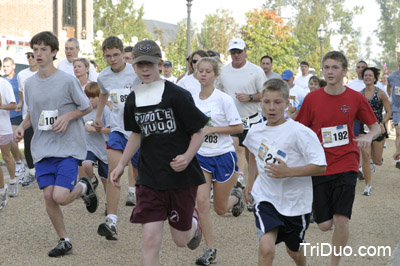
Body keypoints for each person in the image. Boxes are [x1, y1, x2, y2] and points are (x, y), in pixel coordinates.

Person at [110, 39, 208, 266]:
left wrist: (187, 157)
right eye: (139, 64)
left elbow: (198, 132)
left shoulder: (177, 95)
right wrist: (121, 164)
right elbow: (136, 133)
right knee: (149, 239)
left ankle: (192, 223)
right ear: (133, 65)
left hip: (180, 178)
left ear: (160, 64)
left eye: (149, 64)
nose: (144, 69)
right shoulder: (134, 97)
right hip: (150, 177)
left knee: (181, 240)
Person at [14, 31, 98, 257]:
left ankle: (83, 187)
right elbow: (33, 112)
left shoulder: (67, 80)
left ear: (53, 53)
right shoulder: (30, 84)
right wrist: (23, 126)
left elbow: (87, 107)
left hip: (67, 147)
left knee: (60, 196)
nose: (38, 53)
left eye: (43, 49)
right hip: (42, 148)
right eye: (35, 49)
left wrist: (67, 117)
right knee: (49, 196)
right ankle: (64, 240)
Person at [296, 51, 380, 266]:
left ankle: (335, 263)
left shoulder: (355, 98)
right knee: (324, 224)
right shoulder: (312, 98)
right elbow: (299, 130)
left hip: (347, 163)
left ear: (344, 71)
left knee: (342, 218)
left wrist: (368, 137)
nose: (330, 71)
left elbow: (376, 126)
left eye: (335, 68)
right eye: (327, 67)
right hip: (320, 166)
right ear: (322, 70)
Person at [242, 78, 326, 266]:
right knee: (266, 248)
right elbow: (252, 152)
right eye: (266, 102)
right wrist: (250, 183)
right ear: (260, 102)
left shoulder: (300, 132)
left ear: (287, 104)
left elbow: (320, 166)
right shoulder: (255, 132)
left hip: (295, 202)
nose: (271, 107)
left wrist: (287, 172)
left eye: (277, 102)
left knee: (294, 251)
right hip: (266, 197)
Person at [193, 57, 245, 265]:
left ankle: (237, 197)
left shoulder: (223, 99)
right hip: (201, 156)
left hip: (223, 156)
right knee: (202, 201)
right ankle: (210, 249)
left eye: (208, 71)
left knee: (221, 209)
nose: (204, 74)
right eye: (200, 71)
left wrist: (213, 129)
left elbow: (239, 128)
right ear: (196, 74)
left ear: (215, 75)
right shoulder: (191, 99)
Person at [94, 36, 140, 240]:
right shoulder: (103, 76)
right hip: (118, 129)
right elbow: (103, 93)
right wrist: (97, 116)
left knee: (145, 176)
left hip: (140, 132)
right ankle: (111, 220)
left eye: (115, 55)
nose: (112, 59)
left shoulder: (136, 71)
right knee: (114, 172)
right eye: (108, 56)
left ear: (123, 54)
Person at [215, 37, 267, 189]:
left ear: (245, 51)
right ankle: (236, 185)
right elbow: (216, 92)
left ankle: (254, 187)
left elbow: (265, 94)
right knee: (235, 150)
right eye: (233, 52)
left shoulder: (256, 71)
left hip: (252, 120)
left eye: (238, 52)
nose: (236, 55)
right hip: (232, 121)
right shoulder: (223, 72)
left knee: (252, 156)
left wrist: (250, 97)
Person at [358, 67, 391, 196]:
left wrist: (382, 123)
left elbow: (389, 111)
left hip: (378, 129)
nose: (367, 77)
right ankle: (368, 186)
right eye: (365, 75)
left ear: (374, 78)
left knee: (376, 160)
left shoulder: (381, 93)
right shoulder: (359, 95)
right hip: (364, 129)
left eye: (370, 75)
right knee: (365, 156)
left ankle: (375, 162)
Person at [82, 82, 111, 211]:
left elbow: (110, 129)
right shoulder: (84, 111)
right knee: (86, 164)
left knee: (106, 180)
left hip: (104, 148)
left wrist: (95, 129)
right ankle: (93, 180)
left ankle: (109, 203)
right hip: (89, 146)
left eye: (93, 97)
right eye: (88, 97)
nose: (91, 100)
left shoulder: (105, 110)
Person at [17, 50, 38, 187]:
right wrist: (20, 103)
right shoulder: (21, 74)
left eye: (32, 55)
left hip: (43, 115)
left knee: (44, 143)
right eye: (28, 56)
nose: (30, 58)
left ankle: (46, 171)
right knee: (28, 145)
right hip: (27, 115)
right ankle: (32, 173)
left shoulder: (42, 73)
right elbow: (21, 91)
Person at [3, 57, 25, 178]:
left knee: (12, 139)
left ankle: (19, 162)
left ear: (13, 66)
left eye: (8, 66)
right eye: (4, 66)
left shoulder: (19, 79)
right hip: (6, 115)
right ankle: (20, 163)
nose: (6, 68)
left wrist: (21, 103)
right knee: (11, 141)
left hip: (18, 114)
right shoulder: (2, 81)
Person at [0, 77, 18, 208]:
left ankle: (12, 181)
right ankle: (2, 189)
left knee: (6, 157)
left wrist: (0, 105)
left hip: (3, 128)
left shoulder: (4, 84)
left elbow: (13, 105)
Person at [387, 54, 400, 169]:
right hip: (397, 109)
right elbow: (388, 87)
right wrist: (389, 99)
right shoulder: (392, 76)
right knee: (398, 131)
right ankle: (399, 156)